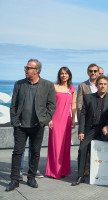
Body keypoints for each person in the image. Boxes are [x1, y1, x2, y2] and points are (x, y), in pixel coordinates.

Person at [6, 59, 56, 191]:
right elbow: (14, 105)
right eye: (26, 67)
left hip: (37, 126)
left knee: (35, 152)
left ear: (36, 71)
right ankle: (15, 179)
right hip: (21, 126)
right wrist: (15, 122)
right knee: (17, 152)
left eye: (28, 68)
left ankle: (31, 178)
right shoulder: (19, 84)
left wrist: (43, 120)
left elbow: (52, 106)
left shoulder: (48, 85)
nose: (25, 70)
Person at [71, 75, 108, 186]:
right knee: (82, 149)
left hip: (104, 128)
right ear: (96, 85)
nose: (103, 86)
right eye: (100, 84)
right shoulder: (88, 97)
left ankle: (100, 173)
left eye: (105, 84)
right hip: (90, 128)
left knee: (106, 139)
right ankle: (80, 176)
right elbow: (83, 115)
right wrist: (81, 131)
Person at [45, 67, 76, 179]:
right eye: (62, 73)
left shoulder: (72, 88)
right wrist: (49, 119)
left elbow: (73, 105)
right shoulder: (54, 87)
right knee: (55, 145)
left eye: (66, 73)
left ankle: (63, 170)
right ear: (59, 75)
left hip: (67, 119)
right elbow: (48, 104)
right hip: (56, 119)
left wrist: (73, 120)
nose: (64, 75)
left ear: (69, 75)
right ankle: (54, 171)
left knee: (65, 145)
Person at [76, 63, 100, 176]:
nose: (93, 73)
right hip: (86, 121)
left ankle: (94, 167)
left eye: (95, 71)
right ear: (88, 72)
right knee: (83, 147)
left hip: (99, 122)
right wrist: (82, 122)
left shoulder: (102, 84)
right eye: (91, 71)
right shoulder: (82, 85)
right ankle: (83, 169)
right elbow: (79, 104)